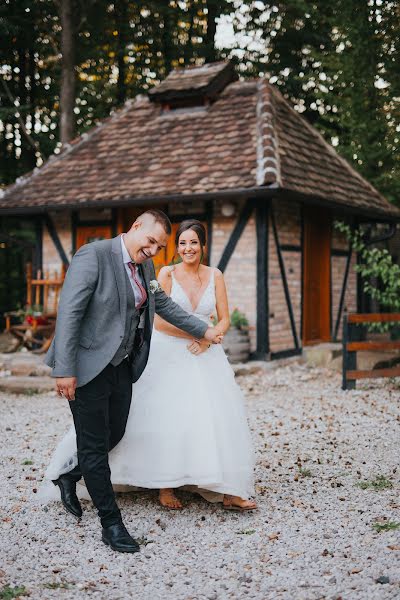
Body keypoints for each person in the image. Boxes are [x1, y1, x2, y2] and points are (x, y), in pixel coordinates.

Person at [45, 219, 256, 518]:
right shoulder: (94, 255)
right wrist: (63, 368)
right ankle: (111, 520)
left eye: (159, 246)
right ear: (136, 226)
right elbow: (70, 311)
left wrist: (206, 333)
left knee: (117, 431)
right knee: (96, 439)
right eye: (152, 240)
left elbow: (164, 306)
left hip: (123, 362)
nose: (154, 249)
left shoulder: (145, 267)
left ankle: (72, 474)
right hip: (90, 363)